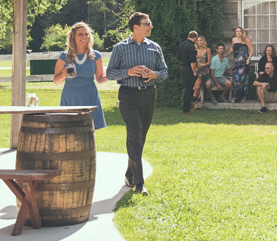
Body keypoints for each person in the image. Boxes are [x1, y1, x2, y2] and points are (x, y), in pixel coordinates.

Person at [105, 12, 168, 195]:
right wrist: (129, 71)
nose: (151, 26)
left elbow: (164, 72)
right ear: (136, 27)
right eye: (147, 23)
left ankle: (129, 174)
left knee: (140, 137)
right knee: (135, 136)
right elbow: (110, 74)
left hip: (149, 95)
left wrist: (154, 74)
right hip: (128, 96)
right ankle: (139, 183)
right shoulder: (120, 48)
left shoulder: (155, 47)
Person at [53, 22, 108, 130]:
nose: (84, 37)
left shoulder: (96, 56)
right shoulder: (64, 56)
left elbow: (100, 79)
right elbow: (56, 81)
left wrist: (113, 75)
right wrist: (63, 75)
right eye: (80, 34)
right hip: (70, 97)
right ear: (73, 36)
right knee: (69, 130)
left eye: (86, 34)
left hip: (90, 97)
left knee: (88, 131)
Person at [177, 31, 199, 114]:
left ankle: (189, 106)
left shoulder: (182, 44)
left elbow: (179, 57)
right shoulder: (191, 47)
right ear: (195, 38)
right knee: (188, 89)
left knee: (188, 88)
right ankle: (186, 109)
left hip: (183, 67)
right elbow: (192, 61)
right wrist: (194, 71)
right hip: (189, 69)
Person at [230, 26, 253, 103]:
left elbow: (252, 49)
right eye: (237, 31)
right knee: (236, 79)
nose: (239, 32)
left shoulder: (246, 40)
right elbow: (232, 48)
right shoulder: (233, 39)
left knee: (243, 80)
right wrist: (226, 54)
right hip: (236, 62)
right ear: (235, 32)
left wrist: (248, 59)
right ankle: (235, 96)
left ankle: (243, 96)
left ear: (242, 32)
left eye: (240, 31)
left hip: (244, 62)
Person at [193, 34, 213, 108]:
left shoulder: (207, 49)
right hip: (196, 69)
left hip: (204, 70)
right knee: (198, 79)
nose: (199, 42)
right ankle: (196, 101)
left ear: (203, 41)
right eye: (198, 40)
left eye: (201, 40)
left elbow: (209, 62)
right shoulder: (194, 49)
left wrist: (203, 65)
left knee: (200, 76)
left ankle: (195, 98)